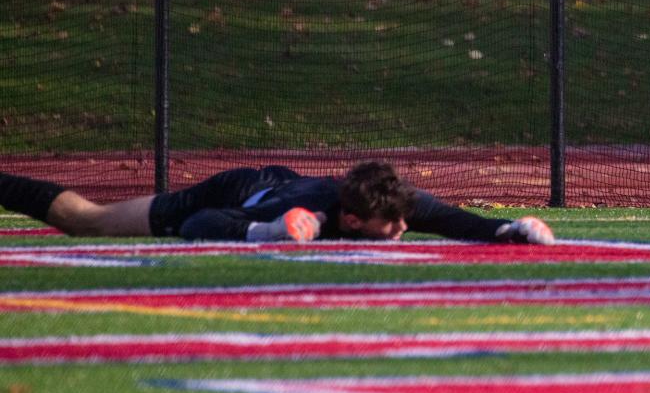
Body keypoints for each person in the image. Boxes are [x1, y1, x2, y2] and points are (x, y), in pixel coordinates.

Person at [0, 160, 555, 245]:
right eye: (389, 227)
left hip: (284, 186)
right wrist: (268, 233)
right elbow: (198, 224)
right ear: (352, 220)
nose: (403, 229)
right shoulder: (306, 214)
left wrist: (510, 229)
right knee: (83, 220)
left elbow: (454, 221)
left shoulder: (395, 203)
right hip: (241, 192)